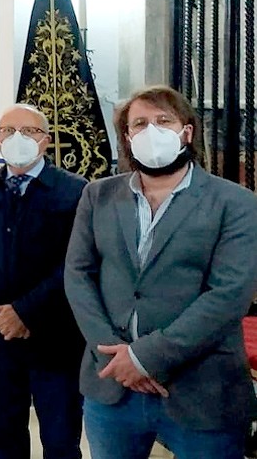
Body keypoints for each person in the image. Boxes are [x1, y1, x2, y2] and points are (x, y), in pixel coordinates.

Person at [65, 85, 257, 458]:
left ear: (186, 132)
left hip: (201, 389)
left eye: (163, 121)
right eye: (140, 123)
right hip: (112, 387)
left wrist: (144, 358)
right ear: (127, 137)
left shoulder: (235, 202)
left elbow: (229, 294)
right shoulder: (97, 195)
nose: (151, 130)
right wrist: (115, 357)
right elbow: (78, 274)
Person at [0, 104, 88, 459]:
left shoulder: (76, 192)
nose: (17, 139)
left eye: (28, 131)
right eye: (9, 131)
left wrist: (25, 312)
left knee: (60, 439)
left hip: (55, 338)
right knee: (5, 440)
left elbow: (77, 260)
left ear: (46, 141)